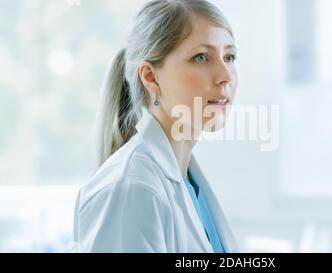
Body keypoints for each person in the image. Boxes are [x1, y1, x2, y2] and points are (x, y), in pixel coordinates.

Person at [72, 0, 239, 253]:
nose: (225, 74)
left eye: (229, 56)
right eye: (201, 57)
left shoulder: (187, 181)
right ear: (151, 77)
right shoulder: (132, 190)